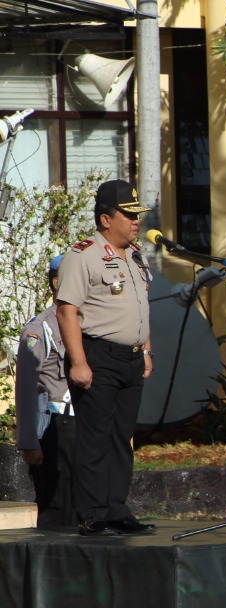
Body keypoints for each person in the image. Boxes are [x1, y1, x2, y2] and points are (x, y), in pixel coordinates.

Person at [56, 179, 156, 536]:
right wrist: (78, 361)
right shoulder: (83, 255)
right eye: (128, 215)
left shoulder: (135, 256)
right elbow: (67, 310)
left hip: (130, 358)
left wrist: (145, 349)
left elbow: (140, 309)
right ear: (104, 219)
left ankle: (117, 508)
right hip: (98, 354)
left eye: (137, 215)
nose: (135, 221)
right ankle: (92, 512)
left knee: (121, 438)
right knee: (95, 438)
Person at [16, 255, 76, 528]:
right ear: (56, 282)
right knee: (56, 511)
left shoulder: (85, 323)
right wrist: (29, 440)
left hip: (84, 426)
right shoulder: (40, 329)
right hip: (55, 425)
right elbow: (26, 387)